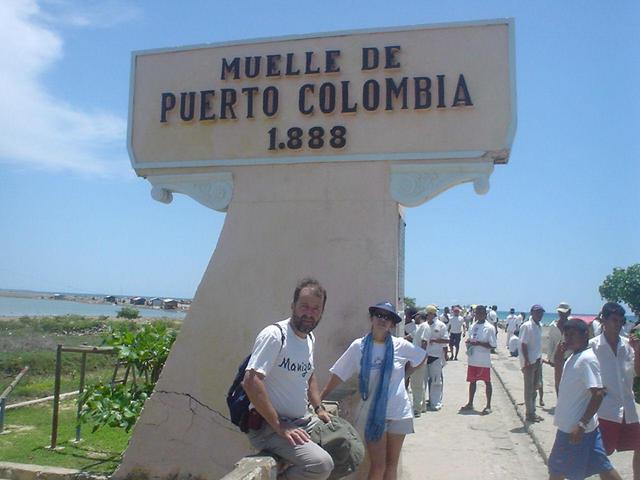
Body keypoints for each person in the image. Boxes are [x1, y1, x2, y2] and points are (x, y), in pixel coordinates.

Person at [321, 301, 426, 480]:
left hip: (399, 412)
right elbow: (338, 374)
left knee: (392, 466)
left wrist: (406, 374)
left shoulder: (400, 345)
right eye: (379, 315)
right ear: (371, 318)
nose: (383, 319)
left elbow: (421, 356)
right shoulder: (358, 346)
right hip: (373, 414)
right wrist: (319, 400)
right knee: (378, 466)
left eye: (388, 317)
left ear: (392, 324)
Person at [243, 278, 334, 480]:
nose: (309, 313)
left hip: (302, 421)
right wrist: (279, 426)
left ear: (321, 312)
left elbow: (309, 374)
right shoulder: (275, 335)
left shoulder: (309, 338)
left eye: (316, 308)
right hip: (269, 427)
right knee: (321, 464)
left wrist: (318, 408)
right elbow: (251, 381)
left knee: (347, 444)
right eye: (304, 306)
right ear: (293, 306)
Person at [548, 318, 623, 480]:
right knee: (603, 466)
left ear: (585, 334)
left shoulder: (586, 359)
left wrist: (581, 425)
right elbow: (561, 388)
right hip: (584, 428)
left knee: (557, 470)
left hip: (573, 429)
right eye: (566, 335)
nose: (568, 339)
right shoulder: (574, 357)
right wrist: (559, 361)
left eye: (572, 335)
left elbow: (598, 393)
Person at [589, 302, 640, 480]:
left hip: (628, 407)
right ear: (603, 320)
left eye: (621, 321)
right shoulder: (592, 347)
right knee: (602, 455)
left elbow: (638, 372)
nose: (617, 325)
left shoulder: (628, 346)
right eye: (614, 320)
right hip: (605, 410)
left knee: (639, 447)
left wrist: (638, 351)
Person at [460, 305, 497, 414]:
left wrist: (479, 343)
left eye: (481, 313)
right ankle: (470, 403)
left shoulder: (489, 327)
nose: (479, 315)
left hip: (484, 361)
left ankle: (488, 405)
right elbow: (471, 338)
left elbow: (493, 345)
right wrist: (469, 343)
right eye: (477, 313)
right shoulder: (472, 326)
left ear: (485, 314)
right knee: (472, 382)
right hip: (472, 359)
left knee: (487, 382)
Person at [520, 304, 544, 422]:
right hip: (529, 362)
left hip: (538, 360)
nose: (539, 315)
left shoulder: (539, 326)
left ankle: (533, 411)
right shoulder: (527, 326)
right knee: (528, 389)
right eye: (537, 312)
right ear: (532, 313)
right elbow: (523, 344)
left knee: (535, 387)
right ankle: (529, 413)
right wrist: (527, 360)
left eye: (541, 313)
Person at [423, 304, 450, 410]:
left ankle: (435, 402)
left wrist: (435, 341)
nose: (429, 315)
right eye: (428, 313)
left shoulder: (441, 325)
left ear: (434, 314)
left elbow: (447, 340)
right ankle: (422, 403)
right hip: (424, 356)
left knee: (436, 381)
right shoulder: (423, 325)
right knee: (423, 380)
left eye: (431, 313)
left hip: (436, 356)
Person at [407, 310, 430, 416]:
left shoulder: (424, 326)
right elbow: (409, 337)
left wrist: (420, 358)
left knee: (416, 384)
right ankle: (422, 406)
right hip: (416, 358)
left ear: (420, 316)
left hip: (418, 359)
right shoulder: (419, 327)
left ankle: (417, 409)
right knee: (419, 384)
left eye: (415, 316)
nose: (413, 318)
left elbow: (424, 343)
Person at [547, 302, 572, 395]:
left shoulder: (572, 324)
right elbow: (551, 343)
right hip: (558, 358)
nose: (562, 314)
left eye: (564, 312)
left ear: (569, 312)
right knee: (558, 382)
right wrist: (550, 358)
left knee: (569, 382)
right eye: (560, 312)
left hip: (570, 356)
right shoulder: (553, 326)